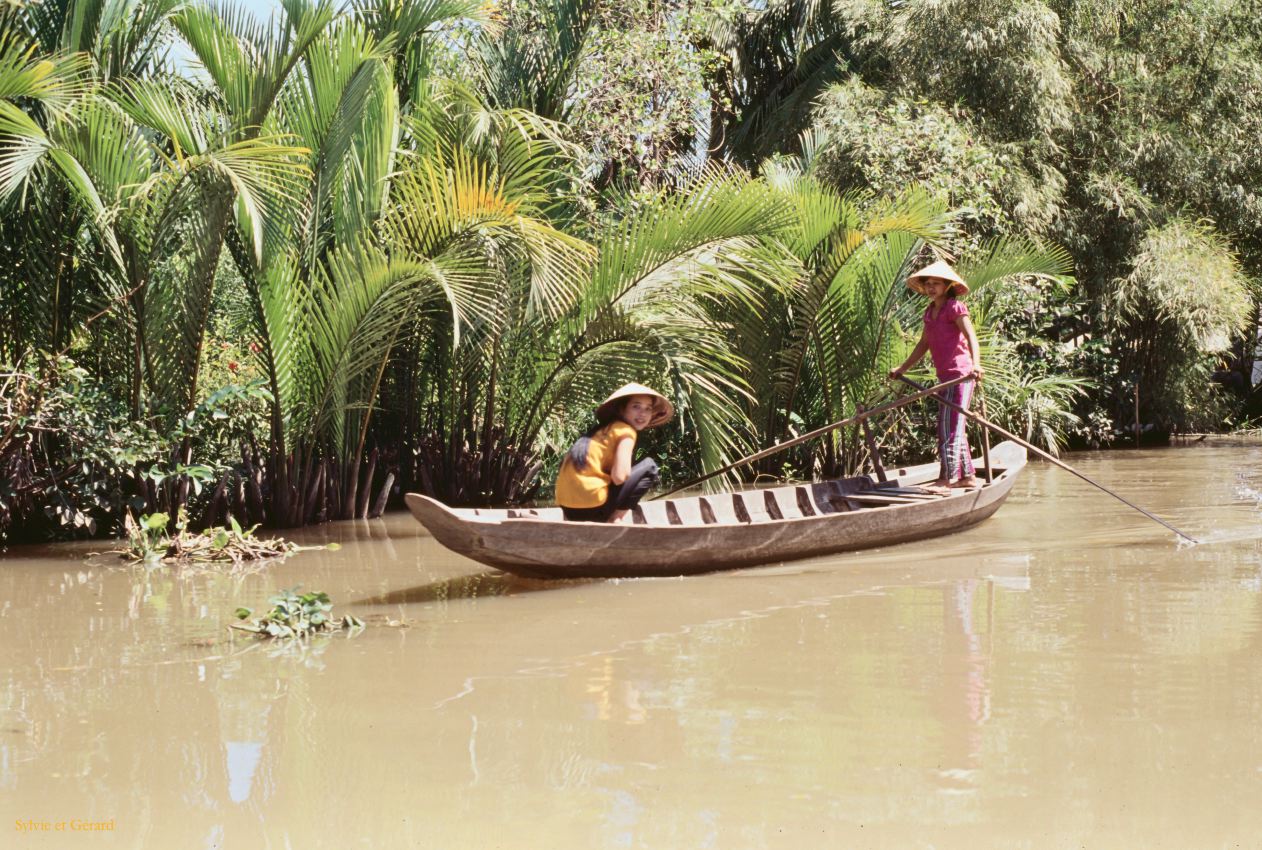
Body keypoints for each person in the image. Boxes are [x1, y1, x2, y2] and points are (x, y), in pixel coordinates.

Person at [888, 259, 983, 494]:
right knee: (952, 426)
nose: (931, 288)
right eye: (928, 284)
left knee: (949, 428)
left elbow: (971, 337)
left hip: (961, 376)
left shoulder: (955, 308)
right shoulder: (930, 312)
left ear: (947, 286)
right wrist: (903, 368)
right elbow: (924, 344)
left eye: (936, 284)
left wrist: (977, 365)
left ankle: (947, 480)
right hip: (945, 377)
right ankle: (967, 477)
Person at [555, 383, 673, 523]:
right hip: (592, 508)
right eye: (636, 406)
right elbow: (619, 477)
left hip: (567, 510)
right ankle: (616, 519)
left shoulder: (601, 431)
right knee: (650, 466)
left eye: (648, 408)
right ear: (621, 409)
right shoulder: (626, 432)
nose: (643, 414)